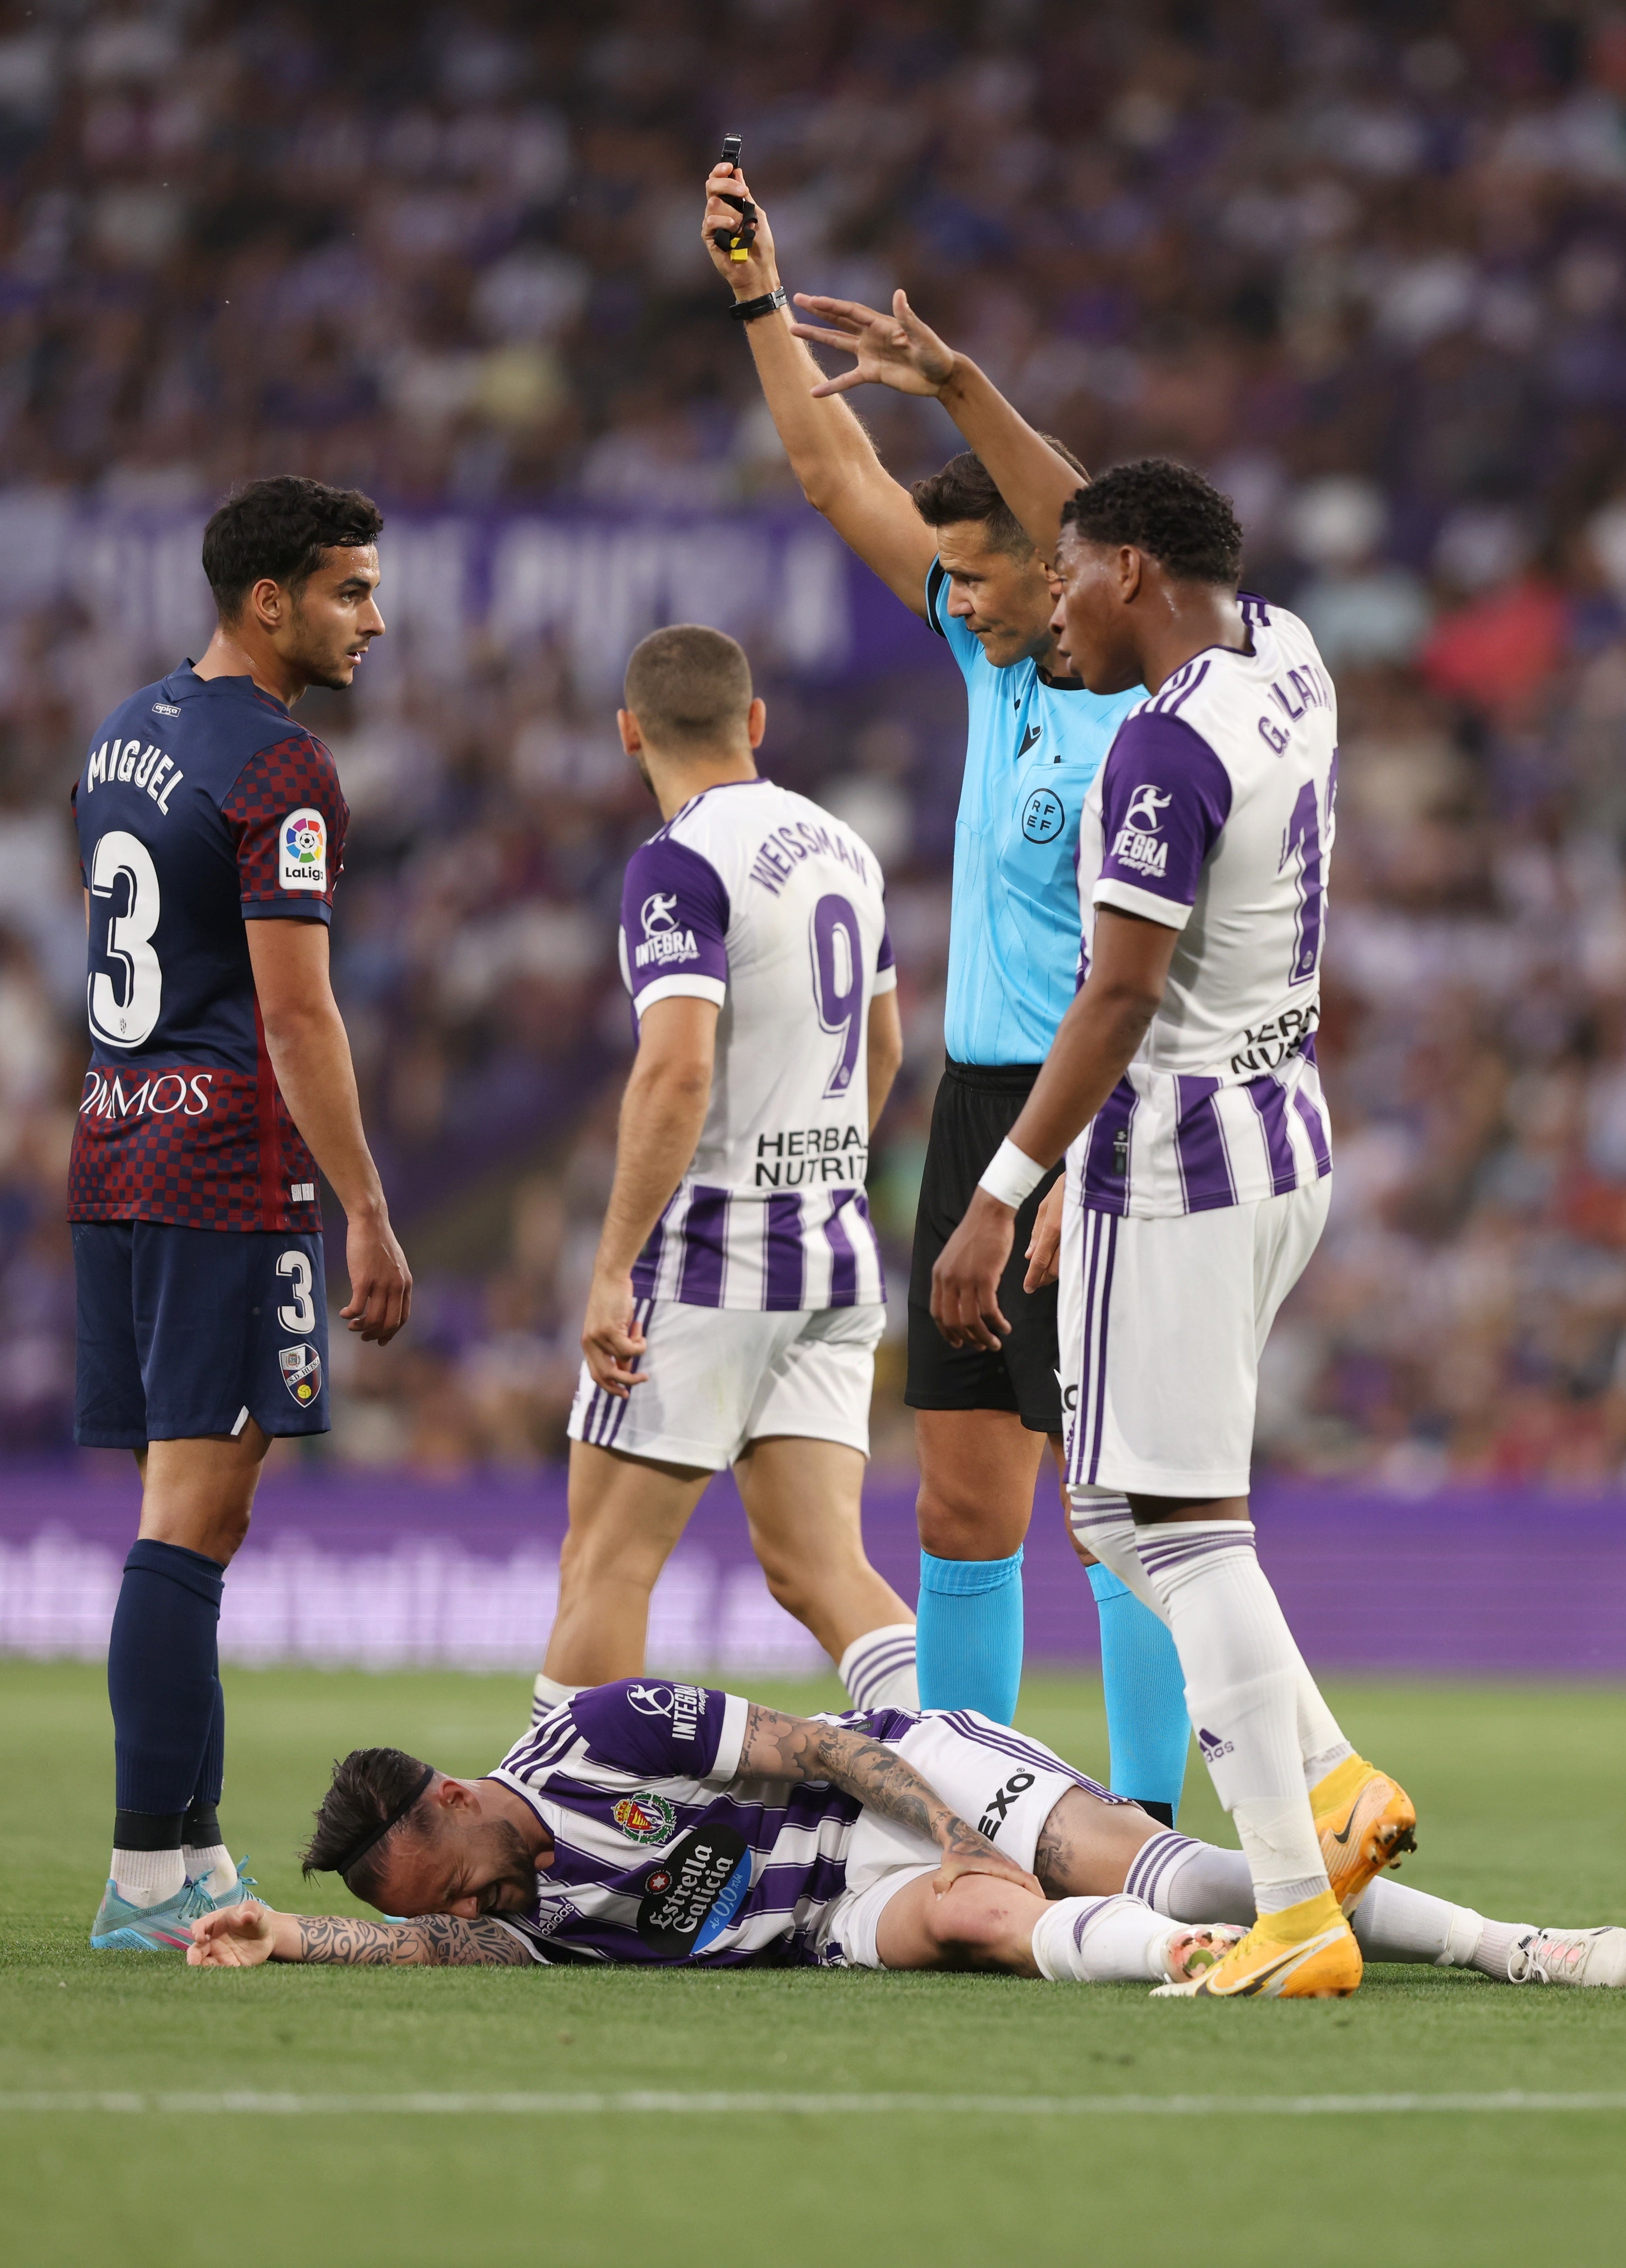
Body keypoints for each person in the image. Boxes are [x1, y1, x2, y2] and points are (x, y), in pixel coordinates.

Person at [708, 152, 1186, 1809]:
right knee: (963, 1505)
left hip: (1098, 1106)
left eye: (979, 573)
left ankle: (1143, 1823)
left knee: (1125, 1503)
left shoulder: (1144, 698)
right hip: (981, 1099)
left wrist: (970, 385)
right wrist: (763, 299)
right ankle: (978, 1810)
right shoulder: (990, 670)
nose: (955, 595)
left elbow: (1069, 519)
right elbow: (832, 468)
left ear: (1059, 577)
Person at [930, 460, 1395, 1999]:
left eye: (1066, 566)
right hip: (1286, 1134)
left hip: (1181, 1157)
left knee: (1177, 1526)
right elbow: (1104, 500)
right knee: (1123, 1516)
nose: (1049, 592)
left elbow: (1120, 990)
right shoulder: (1285, 651)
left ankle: (1293, 1907)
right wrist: (955, 388)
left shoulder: (1158, 751)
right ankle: (1329, 1784)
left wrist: (1002, 1189)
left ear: (1128, 572)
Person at [76, 475, 415, 1952]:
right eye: (351, 589)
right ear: (267, 600)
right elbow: (296, 1012)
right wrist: (370, 1207)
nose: (374, 617)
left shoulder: (122, 737)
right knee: (192, 1526)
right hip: (227, 1164)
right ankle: (147, 1876)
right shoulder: (282, 767)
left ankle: (198, 1858)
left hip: (113, 1143)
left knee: (187, 1520)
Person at [180, 1676, 1626, 1991]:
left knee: (1149, 1855)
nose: (496, 1898)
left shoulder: (603, 1735)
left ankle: (1516, 1946)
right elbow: (452, 1942)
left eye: (469, 1872)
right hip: (829, 1919)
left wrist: (950, 1821)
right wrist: (293, 1932)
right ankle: (1210, 1962)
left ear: (453, 1794)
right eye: (470, 1900)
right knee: (971, 1920)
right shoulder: (494, 1905)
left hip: (903, 1780)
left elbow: (816, 1746)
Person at [532, 625, 922, 1725]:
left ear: (628, 734)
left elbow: (677, 1068)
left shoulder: (677, 862)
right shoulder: (844, 844)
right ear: (755, 723)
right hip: (834, 1254)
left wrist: (613, 1267)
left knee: (606, 1564)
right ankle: (972, 1787)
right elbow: (885, 1049)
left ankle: (566, 1843)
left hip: (711, 1255)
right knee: (820, 1569)